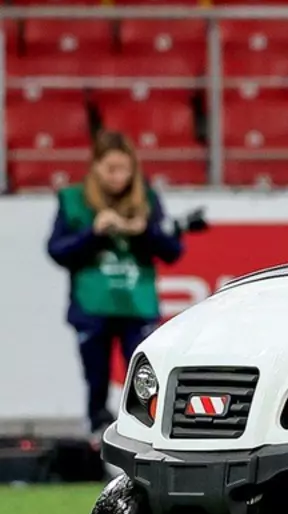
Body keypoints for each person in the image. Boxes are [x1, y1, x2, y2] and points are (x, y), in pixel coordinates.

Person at [46, 131, 184, 438]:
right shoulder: (73, 199)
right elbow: (57, 250)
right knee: (96, 379)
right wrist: (93, 233)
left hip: (137, 304)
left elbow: (173, 251)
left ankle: (147, 434)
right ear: (96, 166)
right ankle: (97, 433)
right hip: (93, 305)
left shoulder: (147, 198)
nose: (118, 177)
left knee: (146, 379)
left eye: (124, 169)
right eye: (111, 169)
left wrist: (145, 231)